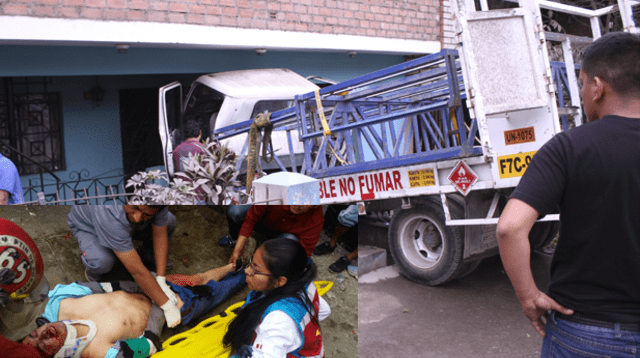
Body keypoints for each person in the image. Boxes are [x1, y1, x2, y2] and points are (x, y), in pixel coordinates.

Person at [496, 32, 640, 357]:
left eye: (582, 84)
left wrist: (528, 296)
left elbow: (510, 227)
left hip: (584, 331)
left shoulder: (569, 146)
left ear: (598, 86)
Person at [19, 262, 246, 358]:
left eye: (33, 334)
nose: (41, 334)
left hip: (150, 285)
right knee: (213, 292)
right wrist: (161, 305)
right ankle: (246, 275)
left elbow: (102, 286)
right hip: (174, 308)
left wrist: (144, 285)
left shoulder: (58, 302)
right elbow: (149, 345)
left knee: (198, 278)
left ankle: (233, 265)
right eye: (42, 344)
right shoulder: (100, 353)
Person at [67, 206, 181, 328]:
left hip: (118, 224)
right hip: (89, 227)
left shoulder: (157, 198)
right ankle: (94, 272)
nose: (137, 218)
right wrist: (167, 305)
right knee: (102, 261)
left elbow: (159, 235)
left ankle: (148, 255)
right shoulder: (108, 209)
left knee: (169, 222)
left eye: (146, 214)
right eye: (134, 208)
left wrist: (161, 279)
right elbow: (137, 271)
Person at [221, 238, 330, 358]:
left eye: (255, 269)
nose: (247, 270)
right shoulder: (303, 283)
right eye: (252, 263)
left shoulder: (277, 322)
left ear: (280, 281)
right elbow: (325, 310)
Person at [219, 205, 324, 265]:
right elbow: (251, 219)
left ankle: (266, 257)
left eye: (306, 202)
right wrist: (237, 251)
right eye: (297, 196)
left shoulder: (316, 220)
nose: (298, 204)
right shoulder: (276, 191)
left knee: (292, 243)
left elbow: (304, 253)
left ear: (315, 205)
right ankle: (235, 238)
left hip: (281, 236)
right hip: (261, 221)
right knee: (234, 211)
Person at [313, 205, 358, 274]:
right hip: (369, 202)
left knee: (366, 228)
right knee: (347, 216)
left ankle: (350, 257)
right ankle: (332, 243)